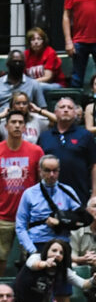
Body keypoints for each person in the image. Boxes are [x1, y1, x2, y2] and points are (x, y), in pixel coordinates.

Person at [0, 110, 43, 275]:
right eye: (13, 122)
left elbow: (41, 183)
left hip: (29, 217)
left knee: (31, 259)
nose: (17, 125)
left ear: (25, 127)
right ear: (6, 126)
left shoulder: (36, 151)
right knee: (1, 259)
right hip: (3, 216)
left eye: (20, 122)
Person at [38, 95, 96, 205]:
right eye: (62, 107)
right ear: (55, 112)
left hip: (79, 194)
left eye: (70, 108)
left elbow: (95, 166)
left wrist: (94, 194)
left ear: (75, 113)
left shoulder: (85, 135)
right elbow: (38, 168)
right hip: (49, 196)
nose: (66, 110)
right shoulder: (44, 137)